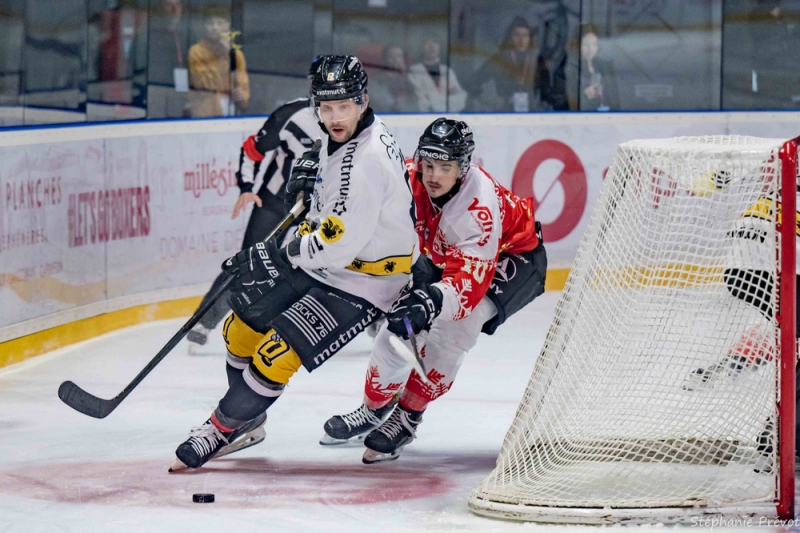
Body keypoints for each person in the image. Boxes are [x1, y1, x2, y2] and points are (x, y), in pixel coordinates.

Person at [170, 55, 418, 470]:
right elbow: (330, 168)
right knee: (239, 329)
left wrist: (276, 252)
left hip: (364, 281)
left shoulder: (367, 163)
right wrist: (312, 165)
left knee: (275, 354)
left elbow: (338, 245)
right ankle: (247, 421)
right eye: (327, 107)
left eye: (344, 107)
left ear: (363, 101)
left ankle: (220, 427)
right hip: (329, 262)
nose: (335, 117)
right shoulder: (347, 133)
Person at [321, 118, 548, 463]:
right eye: (428, 165)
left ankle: (407, 417)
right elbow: (358, 186)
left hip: (513, 258)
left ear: (463, 167)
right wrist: (318, 176)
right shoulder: (406, 177)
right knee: (396, 331)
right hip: (448, 256)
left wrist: (431, 300)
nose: (433, 176)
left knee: (454, 331)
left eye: (445, 167)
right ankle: (373, 409)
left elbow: (468, 285)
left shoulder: (478, 209)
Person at [186, 63, 322, 353]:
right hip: (275, 203)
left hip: (321, 211)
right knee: (248, 264)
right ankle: (203, 322)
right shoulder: (291, 115)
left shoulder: (355, 126)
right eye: (317, 82)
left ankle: (372, 317)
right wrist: (247, 188)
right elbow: (252, 150)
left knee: (342, 261)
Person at [682, 168, 799, 470]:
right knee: (792, 337)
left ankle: (777, 440)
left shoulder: (783, 179)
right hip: (775, 266)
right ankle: (783, 443)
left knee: (789, 333)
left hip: (740, 268)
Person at [188, 9, 250, 117]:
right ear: (204, 27)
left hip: (231, 112)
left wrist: (242, 95)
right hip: (205, 113)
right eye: (210, 23)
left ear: (228, 26)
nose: (215, 28)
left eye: (220, 23)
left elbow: (243, 86)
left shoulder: (236, 54)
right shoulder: (196, 52)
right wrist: (222, 55)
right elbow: (206, 86)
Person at [408, 39, 467, 112]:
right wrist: (441, 98)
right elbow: (419, 98)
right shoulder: (414, 71)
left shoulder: (447, 71)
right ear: (421, 48)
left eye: (435, 42)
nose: (431, 46)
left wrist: (434, 99)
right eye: (427, 43)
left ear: (440, 48)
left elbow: (459, 97)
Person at [368, 44, 419, 113]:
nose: (395, 60)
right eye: (391, 56)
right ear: (384, 59)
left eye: (399, 56)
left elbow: (415, 106)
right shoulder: (376, 83)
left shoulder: (407, 82)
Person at [579, 29, 619, 111]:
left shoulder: (605, 66)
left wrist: (603, 90)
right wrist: (584, 95)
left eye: (594, 45)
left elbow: (614, 95)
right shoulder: (574, 67)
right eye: (585, 45)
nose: (590, 49)